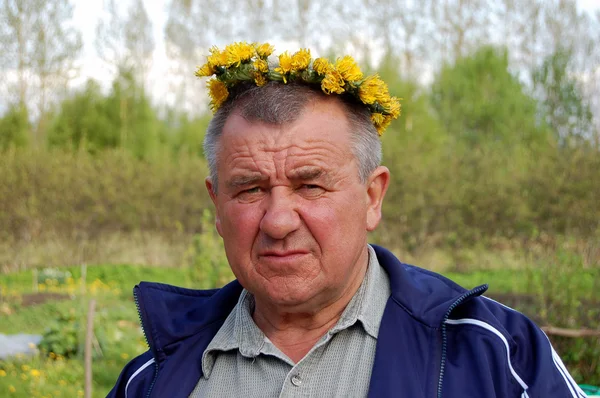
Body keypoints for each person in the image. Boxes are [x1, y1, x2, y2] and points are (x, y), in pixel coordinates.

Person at [108, 42, 587, 398]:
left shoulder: (497, 358)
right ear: (216, 206)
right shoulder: (150, 379)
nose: (277, 221)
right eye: (250, 189)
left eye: (310, 185)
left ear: (372, 197)